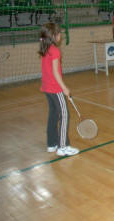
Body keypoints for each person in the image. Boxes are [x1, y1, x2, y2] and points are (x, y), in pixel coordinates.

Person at [39, 23, 79, 156]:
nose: (61, 35)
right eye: (59, 33)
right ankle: (63, 146)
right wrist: (64, 88)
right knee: (65, 114)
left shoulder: (45, 49)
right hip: (55, 88)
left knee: (53, 114)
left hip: (46, 88)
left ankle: (51, 144)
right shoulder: (55, 51)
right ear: (54, 36)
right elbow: (56, 73)